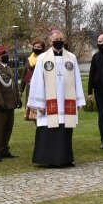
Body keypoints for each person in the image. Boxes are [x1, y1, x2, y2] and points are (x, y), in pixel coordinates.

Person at [27, 29, 86, 167]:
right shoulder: (42, 58)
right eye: (56, 40)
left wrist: (78, 100)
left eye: (61, 39)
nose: (59, 42)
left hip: (67, 102)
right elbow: (37, 81)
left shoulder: (71, 58)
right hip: (49, 103)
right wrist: (39, 103)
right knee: (49, 131)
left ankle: (65, 159)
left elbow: (77, 79)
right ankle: (48, 160)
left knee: (65, 131)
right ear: (50, 41)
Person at [0, 44, 21, 162]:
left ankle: (4, 149)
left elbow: (14, 85)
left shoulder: (7, 68)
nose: (6, 56)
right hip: (0, 105)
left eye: (6, 54)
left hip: (10, 103)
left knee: (8, 128)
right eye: (4, 54)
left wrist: (18, 99)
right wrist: (0, 103)